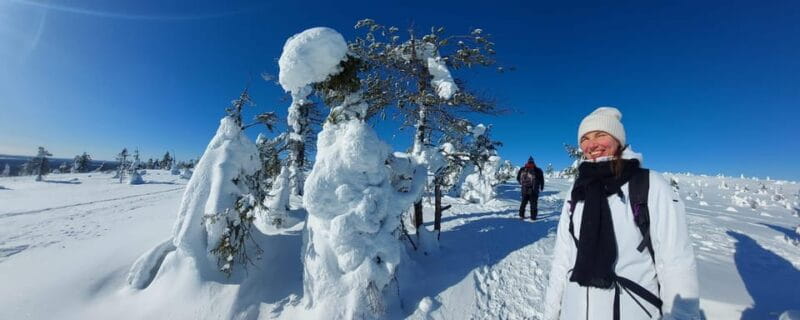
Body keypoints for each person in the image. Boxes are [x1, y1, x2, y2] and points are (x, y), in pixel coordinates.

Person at [544, 107, 700, 320]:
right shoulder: (578, 190)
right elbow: (562, 258)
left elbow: (676, 264)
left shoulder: (650, 184)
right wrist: (551, 314)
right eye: (585, 138)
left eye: (601, 135)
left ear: (618, 139)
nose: (592, 144)